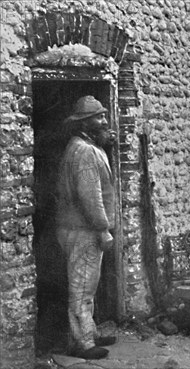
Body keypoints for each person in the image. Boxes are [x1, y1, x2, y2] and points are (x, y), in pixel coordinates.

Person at [56, 96, 117, 359]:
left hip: (79, 228)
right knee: (81, 288)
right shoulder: (85, 152)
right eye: (98, 117)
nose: (104, 120)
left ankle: (87, 331)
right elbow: (90, 196)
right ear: (84, 123)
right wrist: (102, 228)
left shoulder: (83, 146)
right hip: (84, 230)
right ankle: (81, 343)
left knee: (87, 286)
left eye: (104, 115)